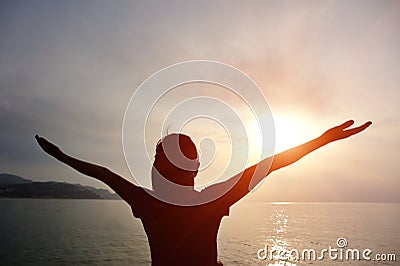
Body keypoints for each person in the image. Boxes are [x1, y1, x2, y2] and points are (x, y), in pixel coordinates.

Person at [35, 119, 371, 265]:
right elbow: (271, 164)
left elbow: (101, 172)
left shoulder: (145, 202)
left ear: (163, 170)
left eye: (155, 159)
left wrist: (62, 157)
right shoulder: (212, 200)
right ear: (195, 170)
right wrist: (322, 140)